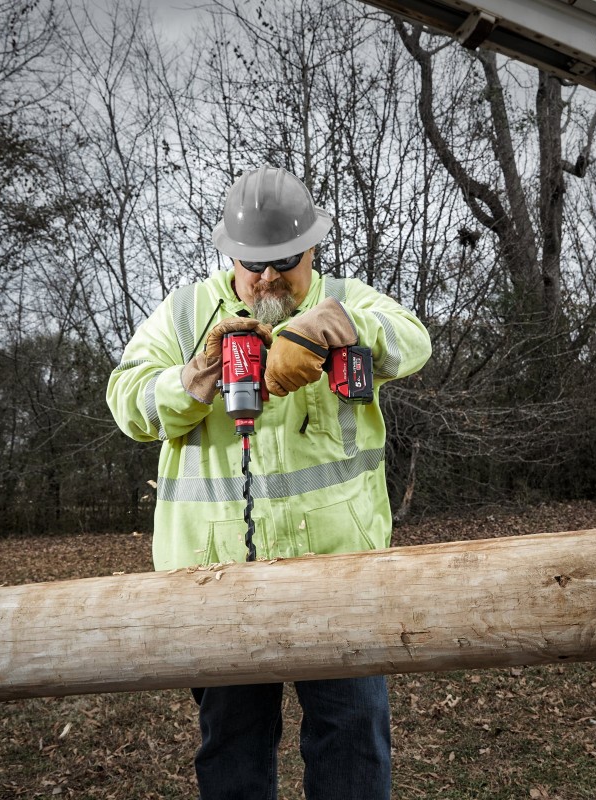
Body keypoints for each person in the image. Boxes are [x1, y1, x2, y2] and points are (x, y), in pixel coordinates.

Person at [106, 164, 432, 799]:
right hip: (214, 579)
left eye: (285, 259)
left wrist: (334, 330)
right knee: (233, 750)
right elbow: (127, 403)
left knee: (353, 743)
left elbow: (413, 341)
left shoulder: (348, 298)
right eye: (251, 262)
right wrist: (195, 379)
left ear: (313, 247)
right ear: (228, 255)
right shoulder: (184, 315)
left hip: (341, 575)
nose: (267, 277)